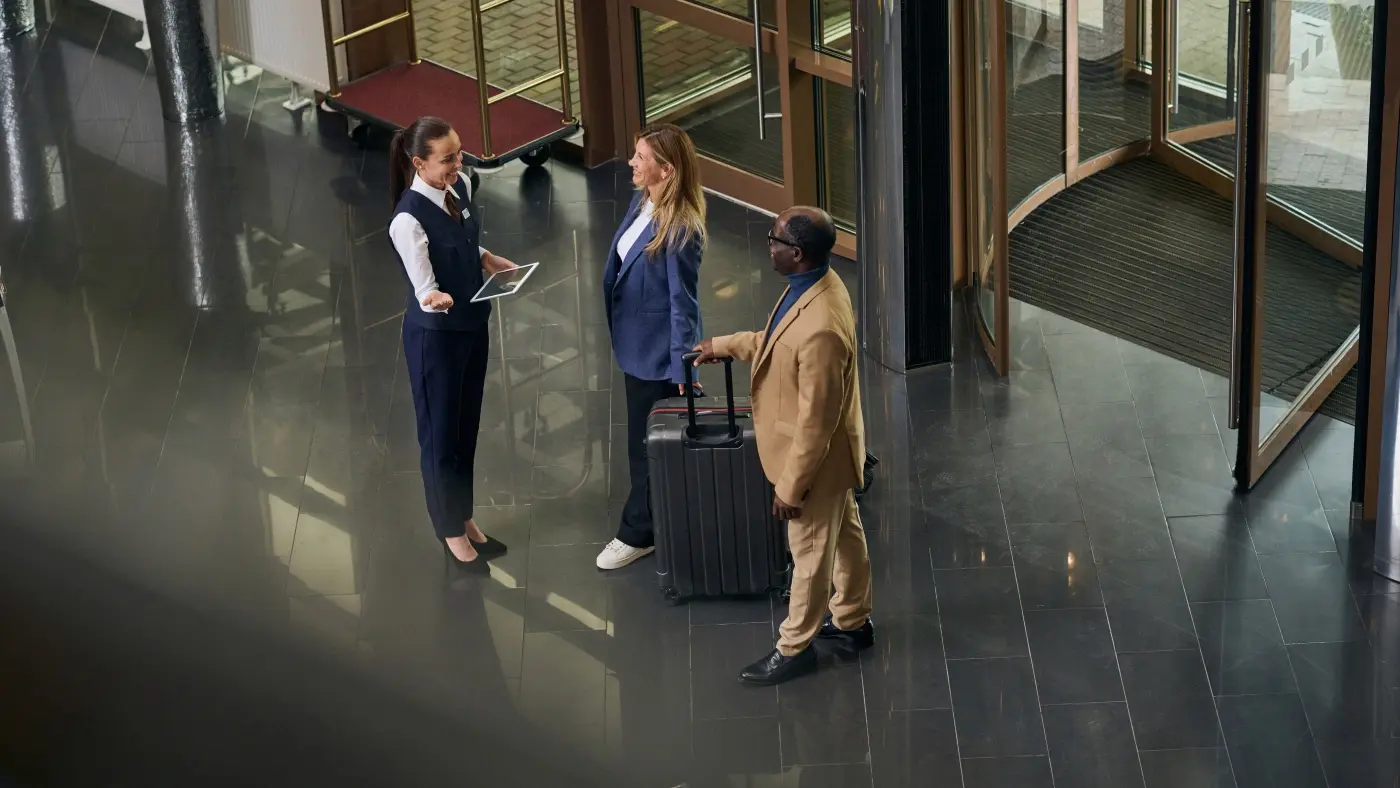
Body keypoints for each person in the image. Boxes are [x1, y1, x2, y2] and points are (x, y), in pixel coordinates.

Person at [692, 207, 873, 686]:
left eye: (772, 239)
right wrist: (726, 344)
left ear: (795, 252)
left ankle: (795, 647)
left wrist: (791, 489)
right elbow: (775, 343)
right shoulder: (816, 287)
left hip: (814, 465)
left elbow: (816, 422)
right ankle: (852, 621)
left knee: (810, 553)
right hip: (833, 464)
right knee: (846, 536)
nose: (766, 245)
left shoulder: (822, 328)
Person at [387, 116, 519, 566]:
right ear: (419, 164)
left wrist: (485, 258)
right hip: (436, 340)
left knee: (466, 430)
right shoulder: (407, 219)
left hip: (470, 325)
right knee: (440, 437)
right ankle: (449, 529)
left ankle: (463, 516)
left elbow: (461, 242)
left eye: (459, 153)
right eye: (447, 159)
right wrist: (434, 296)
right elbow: (424, 285)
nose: (458, 163)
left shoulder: (457, 186)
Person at [596, 123, 706, 571]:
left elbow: (685, 306)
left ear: (666, 168)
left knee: (646, 447)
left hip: (658, 356)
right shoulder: (643, 201)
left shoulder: (681, 229)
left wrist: (684, 369)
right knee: (641, 442)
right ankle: (658, 518)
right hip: (635, 345)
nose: (632, 163)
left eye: (640, 157)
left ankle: (637, 533)